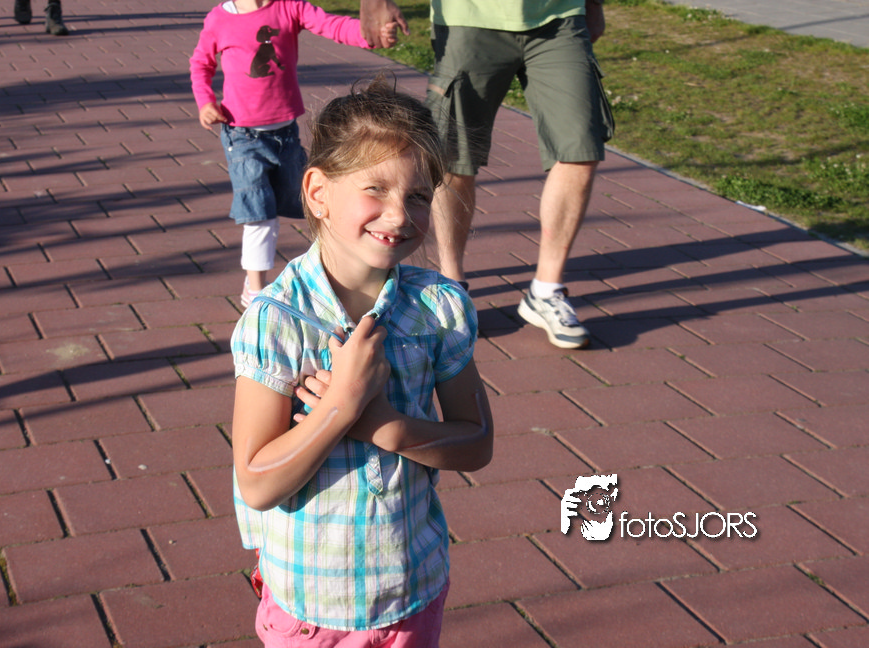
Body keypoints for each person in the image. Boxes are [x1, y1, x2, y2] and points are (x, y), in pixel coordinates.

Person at [230, 75, 493, 646]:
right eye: (376, 189)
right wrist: (341, 408)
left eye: (418, 196)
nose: (398, 216)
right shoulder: (277, 322)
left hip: (410, 590)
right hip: (309, 606)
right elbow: (256, 483)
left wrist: (384, 426)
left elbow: (476, 443)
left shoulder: (438, 308)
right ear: (318, 192)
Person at [361, 0, 613, 349]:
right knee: (454, 158)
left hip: (561, 15)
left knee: (581, 149)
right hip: (469, 15)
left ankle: (546, 289)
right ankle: (452, 287)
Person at [190, 0, 397, 309]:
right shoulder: (220, 19)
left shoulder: (288, 7)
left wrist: (370, 34)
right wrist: (206, 101)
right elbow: (201, 64)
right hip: (242, 136)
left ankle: (334, 276)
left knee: (315, 203)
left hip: (286, 133)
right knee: (259, 214)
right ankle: (256, 290)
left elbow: (331, 25)